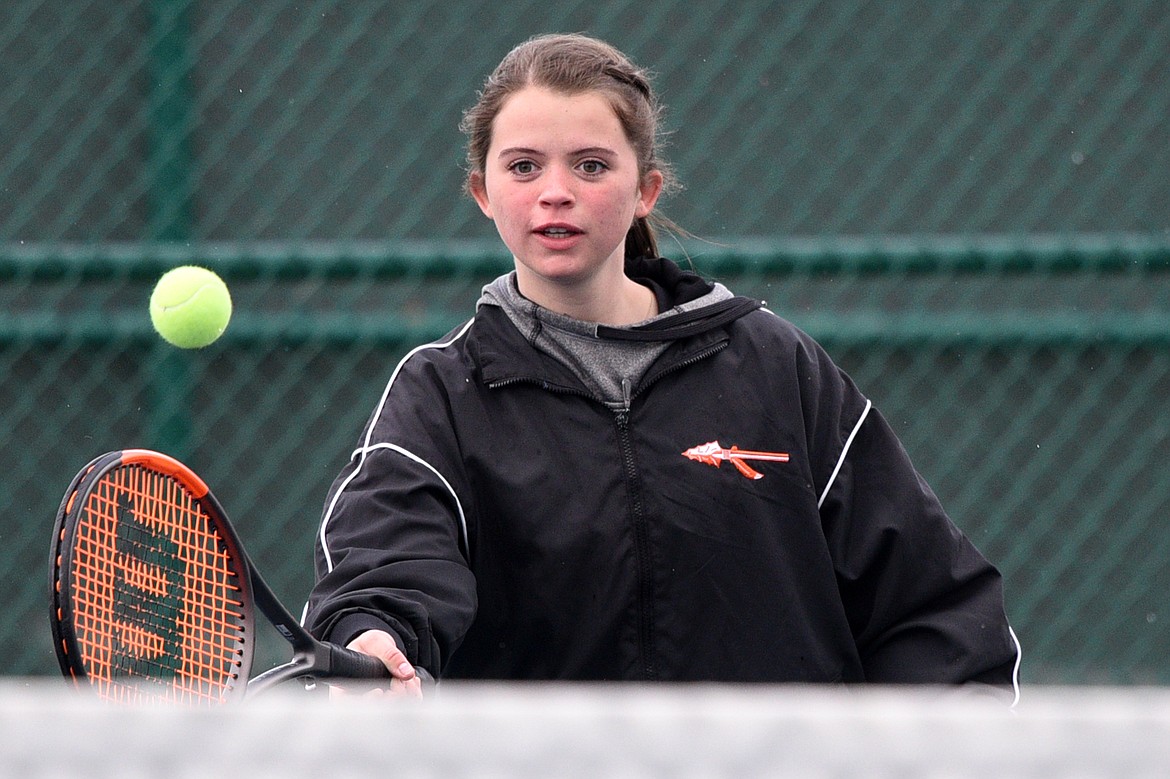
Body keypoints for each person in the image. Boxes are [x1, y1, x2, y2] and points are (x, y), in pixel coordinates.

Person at [303, 32, 1021, 699]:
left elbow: (933, 611)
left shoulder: (775, 366)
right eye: (524, 166)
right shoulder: (441, 392)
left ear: (645, 189)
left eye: (590, 165)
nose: (556, 190)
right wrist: (375, 635)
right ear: (483, 193)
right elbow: (385, 561)